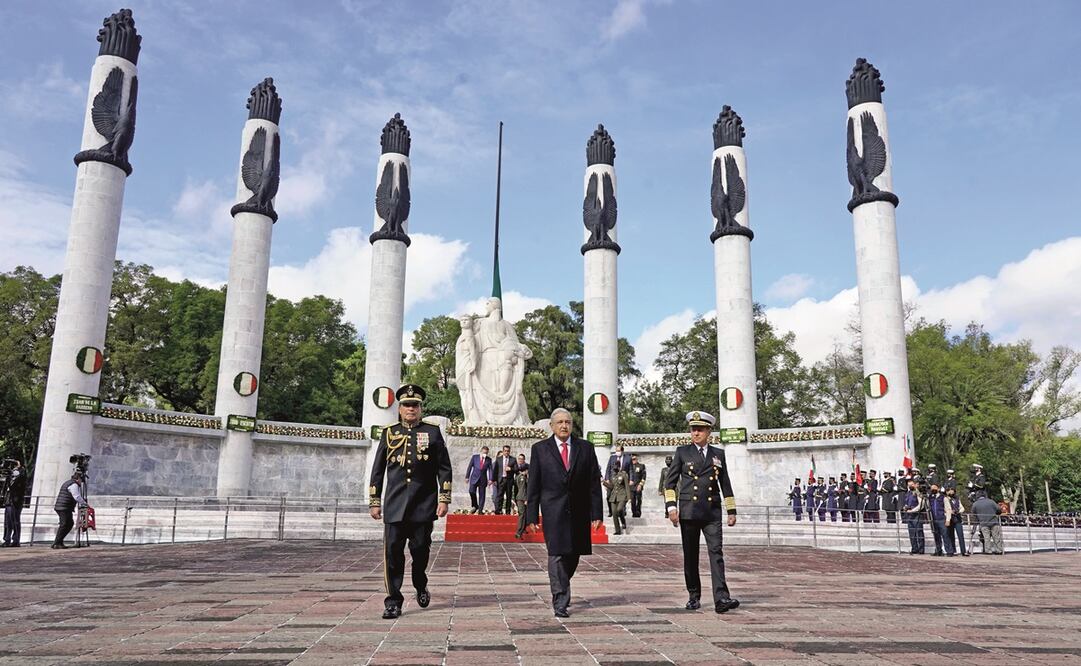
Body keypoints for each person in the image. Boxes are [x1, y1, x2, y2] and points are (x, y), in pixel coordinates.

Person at [368, 384, 452, 619]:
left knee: (420, 552)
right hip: (394, 506)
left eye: (415, 405)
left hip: (423, 506)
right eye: (406, 405)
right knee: (393, 554)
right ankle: (393, 600)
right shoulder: (389, 432)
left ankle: (420, 583)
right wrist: (374, 501)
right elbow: (377, 470)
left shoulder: (433, 432)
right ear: (400, 408)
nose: (411, 409)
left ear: (420, 408)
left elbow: (444, 468)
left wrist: (444, 499)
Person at [525, 407, 603, 618]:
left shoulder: (585, 448)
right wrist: (531, 516)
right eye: (559, 422)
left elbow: (593, 482)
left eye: (567, 422)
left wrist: (597, 513)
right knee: (557, 553)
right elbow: (533, 485)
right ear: (552, 426)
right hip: (553, 511)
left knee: (574, 554)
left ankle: (561, 584)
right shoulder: (540, 449)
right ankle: (560, 599)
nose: (564, 426)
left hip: (579, 510)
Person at [665, 411, 739, 614]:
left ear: (709, 431)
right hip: (689, 511)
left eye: (700, 429)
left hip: (711, 511)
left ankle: (721, 597)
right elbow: (669, 484)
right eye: (693, 429)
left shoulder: (718, 454)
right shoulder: (682, 452)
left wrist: (731, 509)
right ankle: (693, 595)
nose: (695, 433)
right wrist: (671, 508)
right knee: (691, 556)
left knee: (716, 553)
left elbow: (725, 483)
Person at [53, 470, 87, 549]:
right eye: (81, 480)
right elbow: (76, 496)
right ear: (78, 479)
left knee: (68, 524)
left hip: (63, 506)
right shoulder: (73, 485)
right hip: (64, 507)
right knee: (65, 524)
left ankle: (58, 542)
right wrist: (84, 503)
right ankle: (57, 543)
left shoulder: (68, 482)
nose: (81, 483)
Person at [3, 460, 28, 547]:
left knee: (15, 521)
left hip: (16, 500)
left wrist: (19, 467)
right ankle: (6, 539)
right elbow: (6, 485)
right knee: (7, 522)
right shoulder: (11, 475)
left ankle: (16, 540)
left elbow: (22, 477)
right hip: (8, 500)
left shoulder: (22, 473)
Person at [464, 446, 494, 514]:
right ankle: (475, 505)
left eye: (486, 453)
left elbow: (490, 470)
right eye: (484, 452)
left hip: (483, 479)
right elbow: (470, 466)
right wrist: (467, 477)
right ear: (481, 451)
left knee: (482, 495)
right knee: (471, 491)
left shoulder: (489, 460)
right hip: (474, 477)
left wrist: (490, 479)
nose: (485, 454)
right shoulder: (475, 457)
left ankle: (480, 510)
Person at [604, 445, 631, 516]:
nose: (617, 452)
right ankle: (611, 511)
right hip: (612, 480)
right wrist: (606, 479)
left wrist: (631, 479)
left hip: (623, 480)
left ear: (622, 451)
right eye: (616, 450)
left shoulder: (628, 458)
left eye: (618, 450)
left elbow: (631, 470)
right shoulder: (612, 458)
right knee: (609, 496)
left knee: (622, 496)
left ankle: (622, 511)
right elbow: (608, 469)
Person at [902, 478, 926, 555]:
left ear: (915, 485)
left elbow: (921, 505)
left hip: (916, 515)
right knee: (911, 533)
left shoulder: (918, 493)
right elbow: (906, 502)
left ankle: (921, 549)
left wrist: (912, 510)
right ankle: (914, 548)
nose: (910, 486)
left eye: (911, 484)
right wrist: (905, 507)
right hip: (909, 516)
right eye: (909, 484)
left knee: (919, 532)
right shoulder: (908, 493)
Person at [493, 445, 517, 514]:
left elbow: (516, 469)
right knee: (500, 496)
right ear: (503, 451)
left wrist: (511, 469)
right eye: (505, 451)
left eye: (508, 451)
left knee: (509, 496)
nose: (506, 452)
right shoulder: (499, 459)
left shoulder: (513, 459)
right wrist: (494, 480)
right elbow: (495, 470)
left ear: (509, 452)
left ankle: (508, 511)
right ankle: (498, 510)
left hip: (509, 480)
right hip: (501, 480)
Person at [944, 487, 968, 556]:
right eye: (949, 491)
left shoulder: (957, 499)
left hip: (957, 518)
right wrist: (949, 513)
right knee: (951, 535)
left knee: (960, 535)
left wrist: (958, 511)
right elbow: (946, 508)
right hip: (950, 518)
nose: (951, 492)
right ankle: (953, 550)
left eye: (952, 491)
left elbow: (962, 508)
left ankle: (963, 551)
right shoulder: (945, 499)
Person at [606, 466, 630, 535]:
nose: (615, 469)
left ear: (619, 467)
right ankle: (617, 530)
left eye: (616, 467)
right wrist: (604, 483)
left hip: (622, 495)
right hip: (614, 497)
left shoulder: (623, 475)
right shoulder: (613, 476)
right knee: (614, 513)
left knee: (619, 509)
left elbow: (627, 486)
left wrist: (629, 498)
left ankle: (623, 521)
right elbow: (612, 487)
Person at [927, 484, 948, 556]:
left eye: (934, 488)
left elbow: (947, 508)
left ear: (938, 489)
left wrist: (947, 519)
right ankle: (938, 550)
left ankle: (949, 551)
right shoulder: (930, 497)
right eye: (931, 488)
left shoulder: (942, 497)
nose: (933, 489)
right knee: (936, 536)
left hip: (941, 519)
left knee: (945, 535)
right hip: (934, 519)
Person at [514, 461, 529, 539]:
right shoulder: (522, 478)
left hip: (519, 497)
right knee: (522, 515)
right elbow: (523, 489)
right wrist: (525, 499)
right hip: (522, 498)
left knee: (524, 514)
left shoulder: (518, 477)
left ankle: (523, 529)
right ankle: (519, 532)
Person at [628, 454, 647, 518]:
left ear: (637, 459)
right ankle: (634, 512)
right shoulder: (629, 467)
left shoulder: (641, 466)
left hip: (638, 486)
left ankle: (638, 512)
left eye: (634, 459)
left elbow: (644, 477)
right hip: (631, 487)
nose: (633, 460)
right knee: (632, 501)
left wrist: (640, 485)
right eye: (632, 459)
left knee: (638, 500)